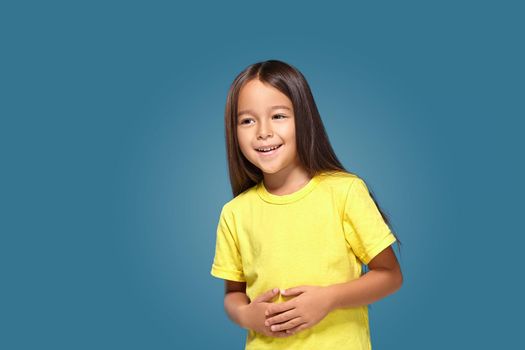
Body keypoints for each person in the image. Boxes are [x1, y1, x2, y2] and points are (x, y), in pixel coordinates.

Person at [210, 59, 403, 349]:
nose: (262, 131)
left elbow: (390, 276)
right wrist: (246, 315)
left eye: (278, 116)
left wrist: (329, 299)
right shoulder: (235, 213)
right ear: (233, 130)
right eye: (247, 120)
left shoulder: (345, 191)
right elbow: (232, 295)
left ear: (304, 118)